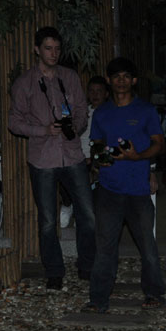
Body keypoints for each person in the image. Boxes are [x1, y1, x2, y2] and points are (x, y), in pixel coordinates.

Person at [9, 26, 95, 290]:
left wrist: (75, 127)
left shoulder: (69, 77)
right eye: (48, 48)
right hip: (42, 157)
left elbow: (81, 108)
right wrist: (43, 130)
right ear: (37, 49)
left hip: (71, 154)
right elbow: (14, 122)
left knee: (88, 214)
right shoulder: (25, 83)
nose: (53, 53)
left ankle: (88, 266)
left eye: (57, 48)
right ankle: (54, 271)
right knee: (47, 219)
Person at [85, 57, 166, 313]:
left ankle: (154, 293)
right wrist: (100, 161)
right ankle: (98, 299)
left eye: (125, 76)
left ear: (133, 81)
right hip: (109, 190)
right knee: (105, 248)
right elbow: (96, 144)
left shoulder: (145, 110)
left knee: (148, 248)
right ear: (108, 80)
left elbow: (158, 143)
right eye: (115, 76)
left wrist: (138, 156)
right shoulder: (101, 113)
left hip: (138, 190)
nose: (121, 81)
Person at [62, 76, 111, 228]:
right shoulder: (83, 112)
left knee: (88, 170)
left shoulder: (110, 114)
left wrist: (92, 158)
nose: (95, 95)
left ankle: (81, 210)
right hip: (77, 156)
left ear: (106, 94)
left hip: (97, 157)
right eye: (91, 91)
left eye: (99, 91)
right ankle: (68, 205)